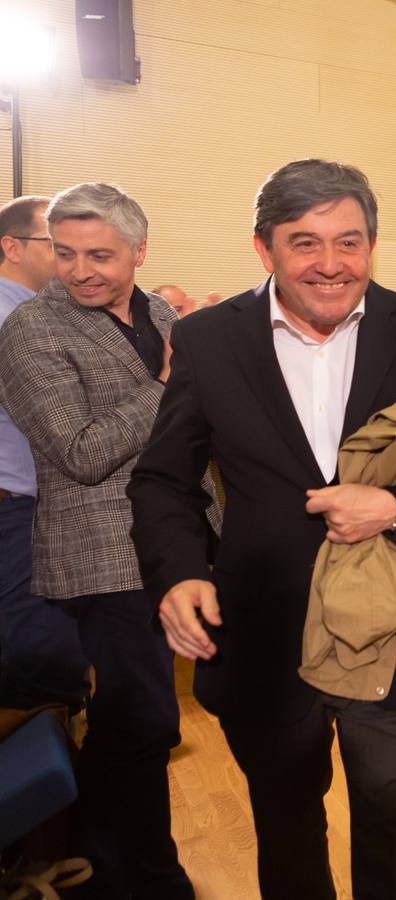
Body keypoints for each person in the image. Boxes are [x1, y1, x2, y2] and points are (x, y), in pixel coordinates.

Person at [128, 159, 396, 900]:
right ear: (264, 248)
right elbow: (163, 480)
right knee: (288, 836)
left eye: (349, 241)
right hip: (265, 637)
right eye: (305, 242)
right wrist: (178, 572)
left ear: (371, 244)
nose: (330, 264)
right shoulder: (207, 339)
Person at [0, 183, 207, 899]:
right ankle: (142, 876)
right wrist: (168, 386)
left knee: (145, 721)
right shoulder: (32, 329)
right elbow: (81, 452)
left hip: (177, 538)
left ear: (139, 251)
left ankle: (102, 862)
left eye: (100, 255)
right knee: (143, 718)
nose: (80, 270)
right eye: (64, 253)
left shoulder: (159, 311)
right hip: (100, 552)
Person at [0, 196, 91, 716]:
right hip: (21, 511)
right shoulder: (16, 321)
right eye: (54, 244)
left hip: (25, 506)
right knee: (45, 662)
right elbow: (67, 425)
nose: (68, 257)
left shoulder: (34, 313)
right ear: (12, 247)